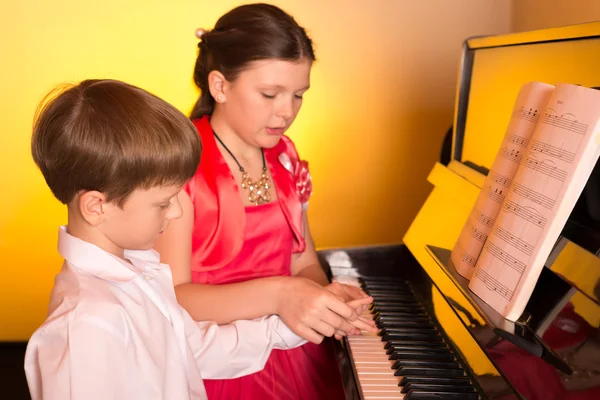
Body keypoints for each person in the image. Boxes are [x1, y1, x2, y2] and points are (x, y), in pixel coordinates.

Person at [23, 79, 371, 400]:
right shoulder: (86, 324)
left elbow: (193, 349)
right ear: (97, 207)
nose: (175, 213)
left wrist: (301, 318)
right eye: (163, 202)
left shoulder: (139, 269)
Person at [154, 3, 377, 399]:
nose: (286, 112)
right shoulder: (182, 170)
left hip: (294, 354)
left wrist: (321, 297)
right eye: (270, 94)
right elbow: (175, 296)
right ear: (219, 86)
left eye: (298, 95)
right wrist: (281, 294)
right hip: (221, 364)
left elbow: (304, 261)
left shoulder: (286, 157)